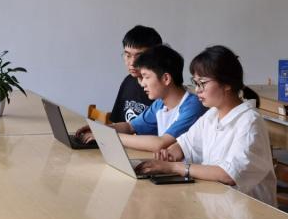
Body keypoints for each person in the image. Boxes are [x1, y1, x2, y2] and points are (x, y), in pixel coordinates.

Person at [134, 45, 275, 205]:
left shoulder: (250, 122)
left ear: (227, 83)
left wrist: (173, 167)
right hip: (219, 203)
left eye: (202, 83)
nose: (197, 90)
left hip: (248, 211)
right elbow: (185, 145)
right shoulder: (212, 115)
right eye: (195, 83)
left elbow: (228, 175)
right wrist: (170, 153)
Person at [76, 44, 206, 152]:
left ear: (166, 78)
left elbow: (160, 143)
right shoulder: (160, 104)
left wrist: (105, 136)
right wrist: (99, 130)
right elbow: (130, 127)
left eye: (146, 77)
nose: (142, 83)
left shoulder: (192, 106)